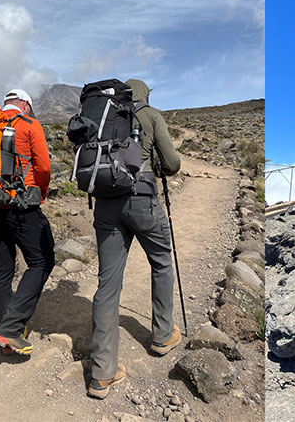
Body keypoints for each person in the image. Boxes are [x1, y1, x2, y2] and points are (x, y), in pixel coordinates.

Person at [87, 78, 182, 399]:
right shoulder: (150, 115)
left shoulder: (104, 114)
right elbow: (172, 163)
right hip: (141, 199)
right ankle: (163, 336)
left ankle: (102, 374)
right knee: (161, 262)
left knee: (107, 283)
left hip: (105, 203)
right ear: (145, 95)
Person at [0, 89, 55, 355]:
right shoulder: (29, 124)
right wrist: (40, 193)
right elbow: (44, 167)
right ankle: (10, 328)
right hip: (22, 204)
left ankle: (6, 331)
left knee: (2, 270)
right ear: (25, 105)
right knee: (42, 261)